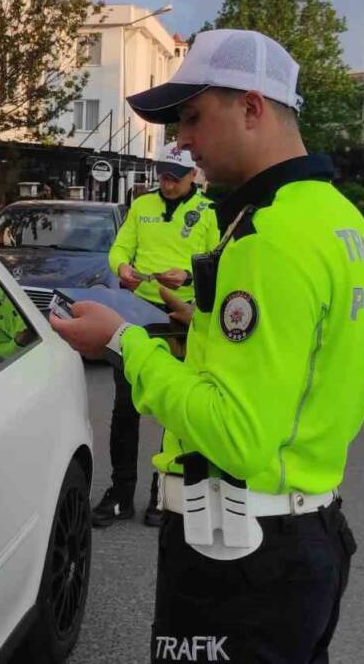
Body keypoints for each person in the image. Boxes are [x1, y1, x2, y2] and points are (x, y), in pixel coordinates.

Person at [50, 29, 364, 664]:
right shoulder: (342, 223)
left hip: (240, 555)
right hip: (302, 538)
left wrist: (122, 342)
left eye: (193, 116)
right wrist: (189, 316)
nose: (179, 140)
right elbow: (291, 370)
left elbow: (236, 434)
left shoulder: (269, 236)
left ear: (252, 107)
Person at [96, 141, 219, 529]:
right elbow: (119, 248)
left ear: (192, 176)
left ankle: (163, 493)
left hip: (184, 316)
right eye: (162, 175)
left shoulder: (209, 212)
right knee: (125, 406)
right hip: (138, 313)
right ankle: (120, 493)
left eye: (174, 177)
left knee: (175, 407)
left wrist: (189, 274)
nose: (166, 183)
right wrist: (122, 268)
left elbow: (220, 260)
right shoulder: (142, 206)